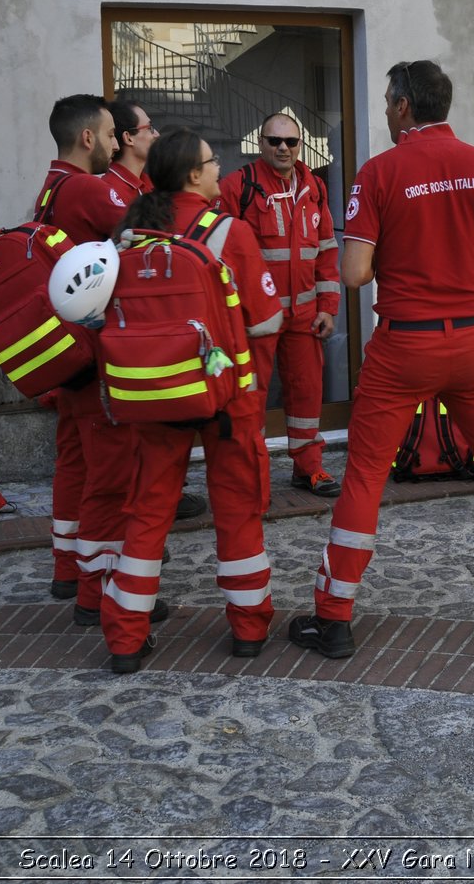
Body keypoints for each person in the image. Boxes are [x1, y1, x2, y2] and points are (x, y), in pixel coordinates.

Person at [287, 60, 474, 660]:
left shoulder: (380, 171)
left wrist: (411, 265)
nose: (388, 110)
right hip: (472, 343)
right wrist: (462, 267)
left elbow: (354, 272)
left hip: (404, 344)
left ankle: (334, 616)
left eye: (390, 101)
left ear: (402, 106)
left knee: (366, 474)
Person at [100, 128, 285, 674]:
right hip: (227, 394)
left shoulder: (129, 235)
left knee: (148, 511)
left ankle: (126, 639)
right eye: (212, 162)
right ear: (192, 174)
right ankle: (248, 630)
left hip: (154, 392)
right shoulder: (229, 231)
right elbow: (270, 319)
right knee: (237, 510)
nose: (218, 170)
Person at [218, 112, 343, 499]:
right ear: (261, 144)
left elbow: (326, 250)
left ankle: (309, 468)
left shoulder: (313, 188)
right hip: (256, 317)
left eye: (291, 142)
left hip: (305, 318)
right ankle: (249, 475)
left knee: (307, 393)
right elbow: (219, 254)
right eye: (275, 141)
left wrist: (328, 306)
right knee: (250, 398)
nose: (283, 149)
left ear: (300, 145)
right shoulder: (237, 186)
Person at [36, 95, 130, 604]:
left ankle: (67, 568)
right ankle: (100, 592)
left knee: (72, 462)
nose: (117, 146)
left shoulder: (50, 189)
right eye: (113, 134)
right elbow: (145, 236)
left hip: (65, 353)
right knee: (109, 473)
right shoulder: (88, 189)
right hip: (94, 353)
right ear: (87, 138)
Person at [105, 100, 209, 526]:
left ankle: (125, 568)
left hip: (144, 357)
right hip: (165, 358)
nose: (154, 133)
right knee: (131, 479)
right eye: (149, 127)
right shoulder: (108, 193)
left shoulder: (140, 199)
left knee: (146, 483)